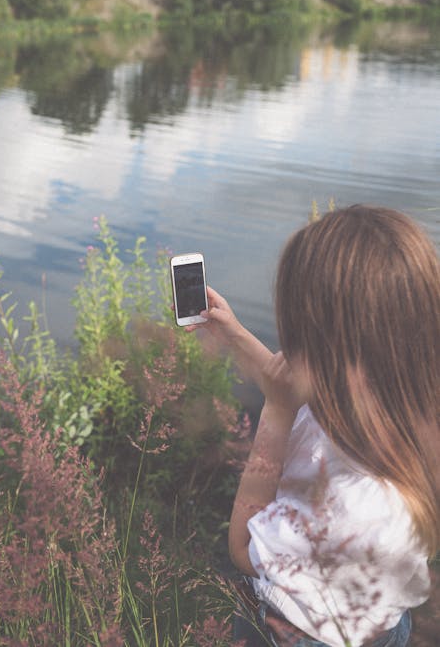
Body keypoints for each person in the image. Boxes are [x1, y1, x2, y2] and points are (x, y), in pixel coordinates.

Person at [186, 205, 439, 647]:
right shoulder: (392, 407)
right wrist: (233, 334)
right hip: (378, 624)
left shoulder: (353, 503)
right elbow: (291, 386)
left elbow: (244, 551)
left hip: (298, 633)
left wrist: (276, 414)